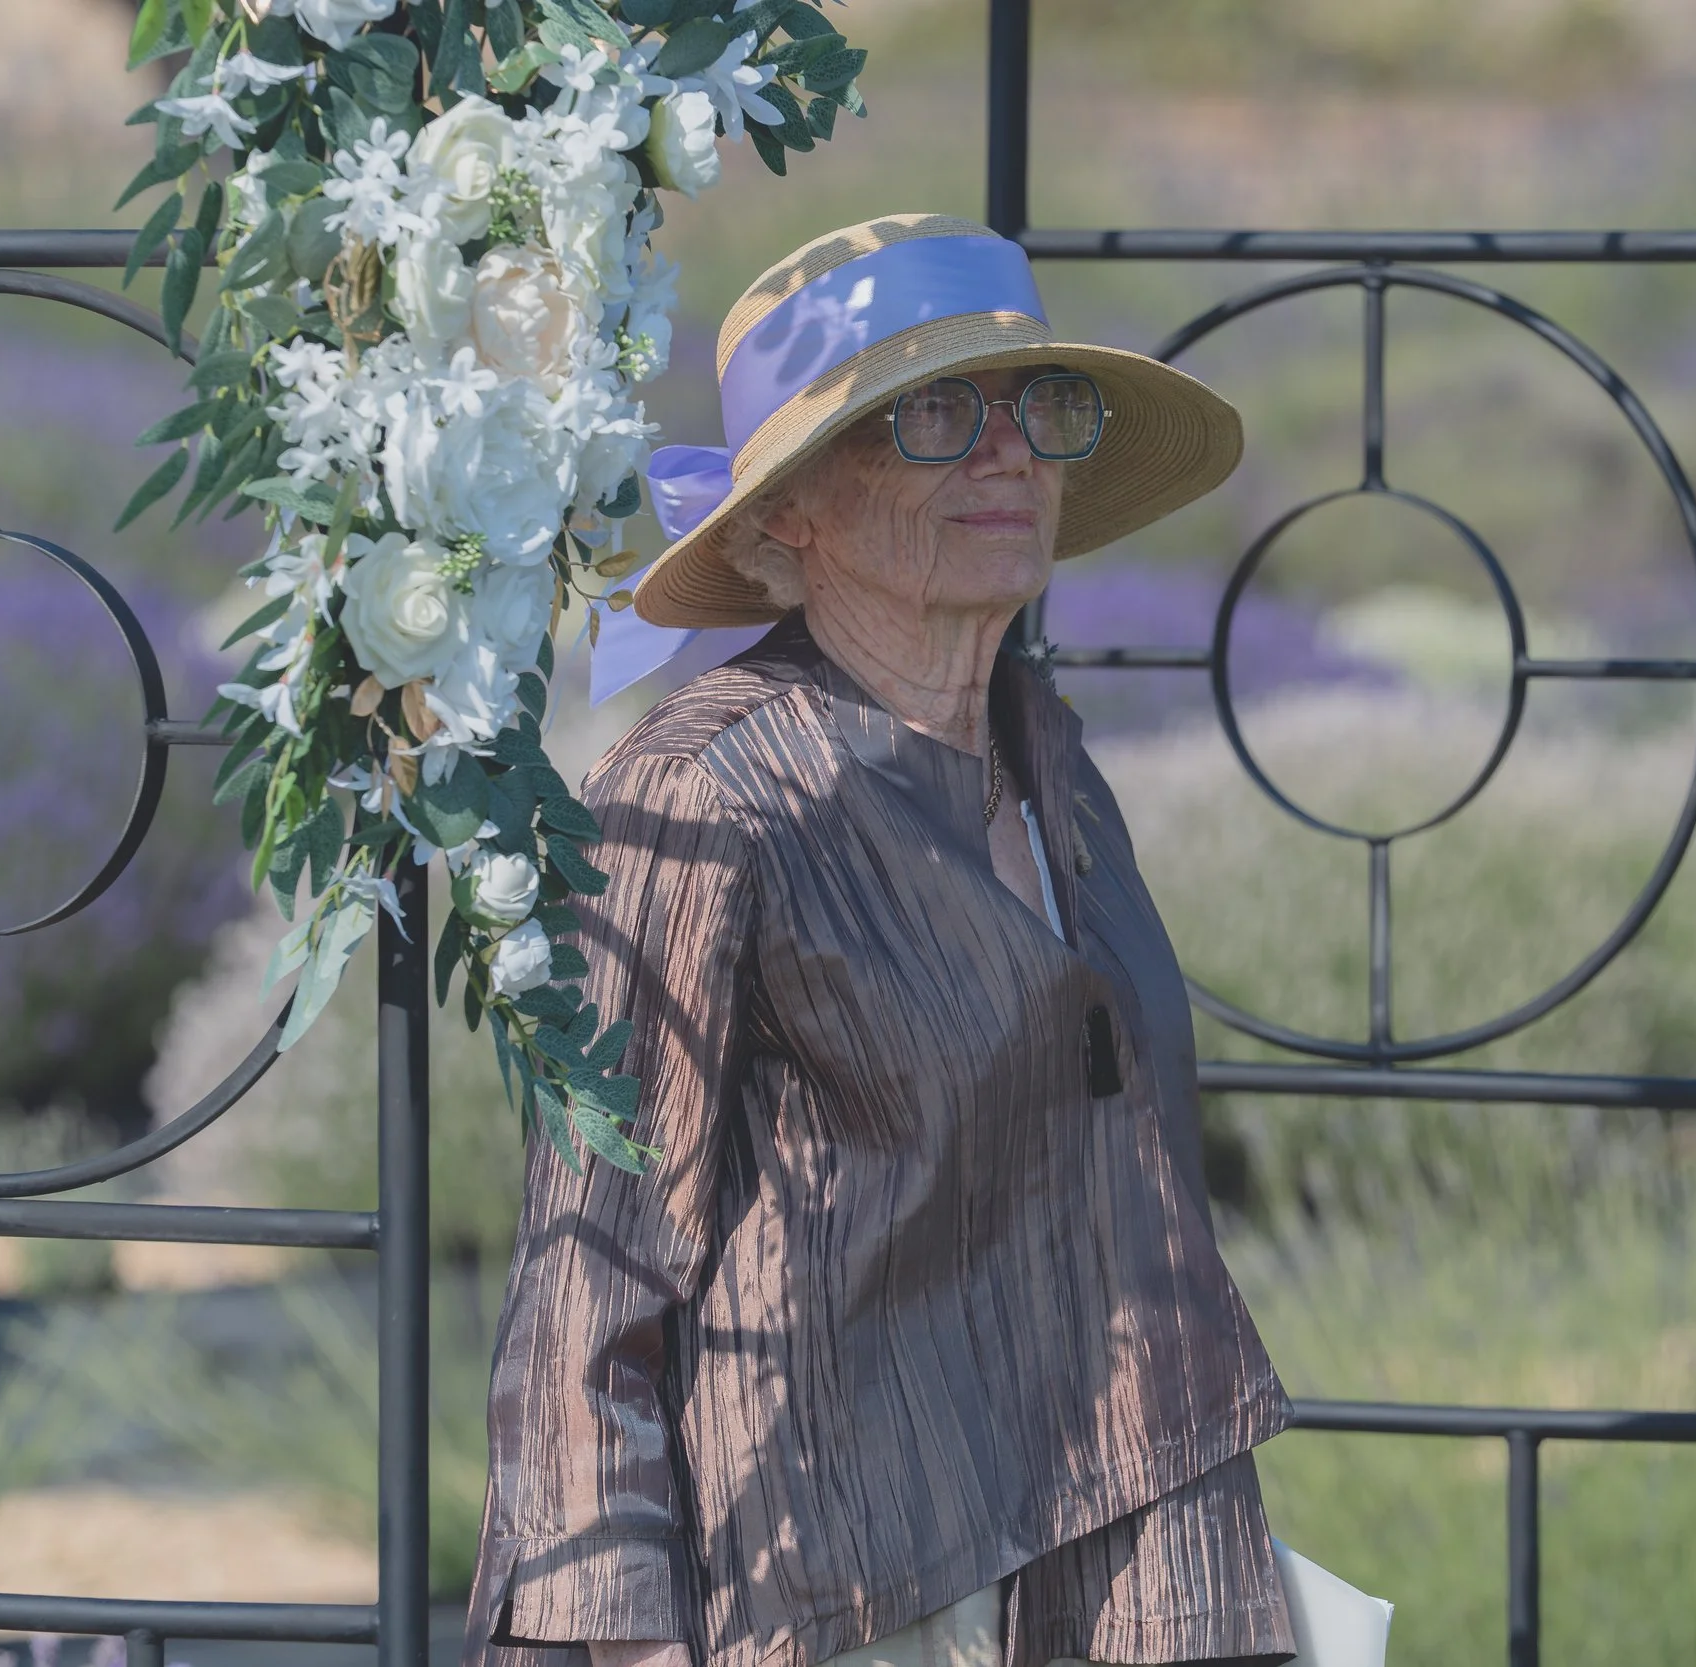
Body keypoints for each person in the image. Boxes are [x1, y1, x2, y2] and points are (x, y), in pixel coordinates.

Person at [463, 213, 1299, 1667]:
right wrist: (617, 1638)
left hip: (1134, 1535)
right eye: (933, 415)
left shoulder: (1052, 760)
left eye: (1040, 405)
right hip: (856, 1575)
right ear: (789, 510)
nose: (1009, 454)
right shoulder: (703, 794)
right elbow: (591, 1274)